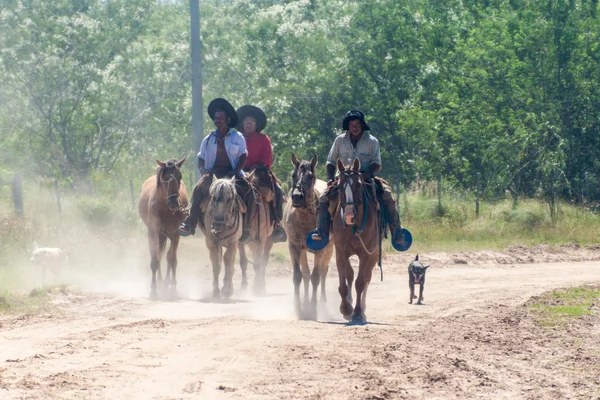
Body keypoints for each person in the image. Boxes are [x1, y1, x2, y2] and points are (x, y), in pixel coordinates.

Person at [311, 110, 405, 245]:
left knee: (386, 194)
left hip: (365, 178)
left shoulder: (372, 141)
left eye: (357, 124)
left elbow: (376, 163)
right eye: (352, 124)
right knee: (323, 197)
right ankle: (321, 230)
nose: (355, 127)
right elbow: (331, 162)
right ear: (348, 126)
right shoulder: (339, 140)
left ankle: (396, 230)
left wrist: (364, 175)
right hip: (342, 180)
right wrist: (331, 178)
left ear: (362, 125)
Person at [178, 98, 254, 243]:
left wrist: (235, 171)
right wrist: (203, 171)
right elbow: (200, 157)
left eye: (220, 118)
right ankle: (190, 222)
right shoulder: (208, 139)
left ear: (228, 119)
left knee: (250, 192)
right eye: (216, 118)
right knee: (198, 189)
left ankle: (246, 228)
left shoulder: (237, 137)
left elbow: (244, 155)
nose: (217, 120)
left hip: (233, 173)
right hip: (213, 174)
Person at [237, 105, 287, 243]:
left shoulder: (264, 139)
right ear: (242, 124)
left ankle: (277, 223)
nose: (249, 124)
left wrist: (259, 166)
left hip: (260, 172)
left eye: (252, 122)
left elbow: (267, 158)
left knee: (277, 190)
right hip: (240, 172)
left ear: (256, 124)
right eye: (246, 122)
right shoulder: (237, 138)